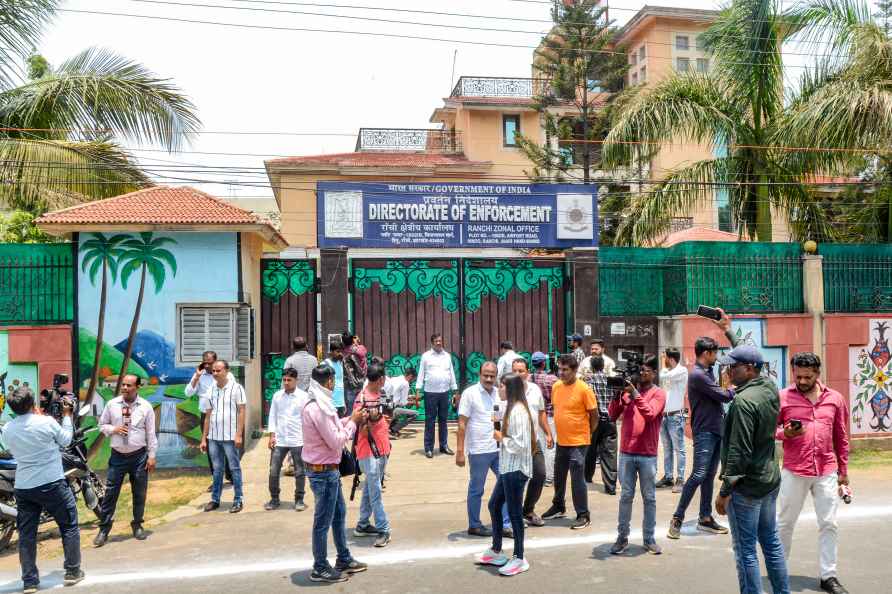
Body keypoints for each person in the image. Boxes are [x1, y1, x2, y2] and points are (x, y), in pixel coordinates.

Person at [715, 345, 790, 594]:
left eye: (733, 367)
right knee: (771, 542)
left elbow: (739, 453)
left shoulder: (743, 403)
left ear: (749, 369)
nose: (728, 371)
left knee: (746, 551)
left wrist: (725, 491)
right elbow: (753, 357)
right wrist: (729, 332)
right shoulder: (768, 387)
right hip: (769, 479)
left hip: (747, 487)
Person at [776, 353, 850, 594]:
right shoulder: (783, 397)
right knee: (785, 523)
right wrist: (784, 433)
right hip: (794, 470)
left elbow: (841, 436)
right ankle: (778, 573)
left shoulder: (835, 399)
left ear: (818, 374)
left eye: (808, 376)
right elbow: (769, 428)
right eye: (798, 376)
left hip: (826, 470)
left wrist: (844, 472)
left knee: (829, 523)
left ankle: (828, 576)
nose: (803, 380)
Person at [1, 387, 84, 591]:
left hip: (24, 487)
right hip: (52, 483)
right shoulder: (45, 422)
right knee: (69, 525)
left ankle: (30, 581)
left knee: (27, 534)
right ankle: (72, 572)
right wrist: (66, 415)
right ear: (32, 404)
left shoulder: (8, 428)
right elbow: (66, 439)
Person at [669, 310, 739, 540]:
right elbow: (724, 396)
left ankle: (705, 517)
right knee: (698, 474)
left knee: (709, 475)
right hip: (705, 431)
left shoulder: (707, 371)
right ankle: (677, 517)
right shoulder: (698, 374)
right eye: (715, 353)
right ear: (706, 353)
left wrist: (725, 385)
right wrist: (730, 387)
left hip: (716, 428)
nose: (717, 357)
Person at [302, 364, 368, 583]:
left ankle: (343, 558)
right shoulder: (318, 408)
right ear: (329, 381)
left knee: (338, 516)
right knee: (322, 522)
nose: (335, 384)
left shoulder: (319, 403)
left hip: (329, 472)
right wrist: (354, 424)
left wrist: (350, 418)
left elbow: (333, 426)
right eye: (333, 380)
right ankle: (320, 567)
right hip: (323, 473)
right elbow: (336, 440)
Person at [475, 373, 535, 576]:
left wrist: (501, 436)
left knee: (515, 514)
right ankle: (496, 550)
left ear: (509, 389)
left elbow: (521, 445)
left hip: (516, 470)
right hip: (507, 467)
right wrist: (498, 425)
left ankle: (519, 557)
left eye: (501, 385)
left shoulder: (519, 411)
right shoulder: (508, 408)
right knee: (494, 505)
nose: (498, 389)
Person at [608, 355, 667, 555]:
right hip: (626, 452)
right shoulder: (628, 392)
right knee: (626, 496)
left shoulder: (659, 394)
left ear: (655, 373)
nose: (642, 373)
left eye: (647, 370)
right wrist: (617, 396)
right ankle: (622, 537)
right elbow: (612, 415)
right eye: (641, 370)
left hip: (647, 454)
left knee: (649, 498)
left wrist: (635, 394)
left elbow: (650, 414)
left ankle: (649, 538)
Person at [94, 374, 158, 547]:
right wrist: (114, 429)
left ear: (137, 387)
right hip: (118, 456)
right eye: (123, 385)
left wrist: (151, 456)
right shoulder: (112, 404)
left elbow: (151, 433)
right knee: (111, 493)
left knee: (139, 492)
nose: (124, 388)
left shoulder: (145, 407)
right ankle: (104, 530)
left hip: (139, 456)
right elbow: (101, 425)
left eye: (129, 385)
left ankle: (137, 525)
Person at [541, 354, 598, 529]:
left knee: (577, 479)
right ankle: (559, 505)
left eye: (565, 370)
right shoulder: (557, 386)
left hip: (579, 442)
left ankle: (583, 514)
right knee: (559, 475)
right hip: (562, 441)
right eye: (560, 369)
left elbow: (594, 416)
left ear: (574, 370)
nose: (562, 372)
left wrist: (587, 433)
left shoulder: (584, 389)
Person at [456, 361, 502, 537]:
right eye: (486, 375)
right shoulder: (470, 394)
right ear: (480, 375)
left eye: (492, 375)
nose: (489, 379)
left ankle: (504, 523)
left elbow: (497, 419)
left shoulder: (498, 394)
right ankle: (474, 525)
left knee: (505, 483)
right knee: (477, 488)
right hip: (479, 450)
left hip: (498, 449)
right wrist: (460, 451)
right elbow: (462, 424)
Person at [352, 364, 393, 548]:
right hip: (367, 449)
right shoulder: (361, 398)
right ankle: (384, 529)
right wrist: (369, 418)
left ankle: (362, 524)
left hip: (383, 446)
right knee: (375, 489)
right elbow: (357, 423)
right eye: (381, 380)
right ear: (378, 380)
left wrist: (385, 417)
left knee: (370, 486)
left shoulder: (383, 394)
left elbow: (389, 414)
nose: (383, 382)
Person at [200, 360, 247, 514]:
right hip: (214, 437)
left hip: (230, 437)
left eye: (218, 370)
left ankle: (238, 499)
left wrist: (239, 434)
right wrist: (204, 438)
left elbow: (241, 411)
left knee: (234, 468)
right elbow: (207, 415)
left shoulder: (236, 388)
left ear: (226, 371)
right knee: (217, 469)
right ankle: (215, 499)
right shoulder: (210, 390)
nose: (215, 373)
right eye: (213, 371)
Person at [511, 358, 554, 527]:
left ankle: (528, 510)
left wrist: (548, 433)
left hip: (534, 443)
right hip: (514, 446)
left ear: (527, 372)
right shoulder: (506, 390)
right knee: (517, 480)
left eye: (521, 371)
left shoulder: (535, 389)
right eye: (514, 370)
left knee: (540, 474)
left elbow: (541, 412)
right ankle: (514, 515)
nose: (518, 374)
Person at [185, 350, 232, 490]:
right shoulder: (200, 375)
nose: (207, 366)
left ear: (216, 361)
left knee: (227, 446)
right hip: (206, 415)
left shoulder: (227, 375)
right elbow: (187, 393)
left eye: (210, 363)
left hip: (223, 414)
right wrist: (196, 378)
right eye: (205, 363)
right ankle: (216, 479)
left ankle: (230, 475)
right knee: (211, 448)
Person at [265, 368, 310, 512]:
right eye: (284, 380)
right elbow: (272, 416)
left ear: (296, 380)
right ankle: (274, 499)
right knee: (273, 470)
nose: (286, 383)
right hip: (280, 439)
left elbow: (308, 418)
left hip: (298, 439)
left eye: (289, 380)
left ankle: (299, 499)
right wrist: (272, 435)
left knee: (300, 471)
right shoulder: (277, 396)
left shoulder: (304, 397)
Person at [416, 333, 458, 458]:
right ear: (432, 342)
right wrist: (418, 389)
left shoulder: (447, 356)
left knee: (443, 420)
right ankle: (428, 448)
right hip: (430, 392)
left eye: (440, 341)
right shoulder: (426, 356)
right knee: (430, 420)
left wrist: (455, 390)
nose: (439, 343)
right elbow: (421, 373)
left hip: (444, 392)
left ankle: (443, 445)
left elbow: (451, 373)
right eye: (436, 341)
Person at [582, 355, 618, 494]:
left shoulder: (588, 381)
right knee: (610, 454)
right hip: (610, 420)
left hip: (594, 420)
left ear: (591, 367)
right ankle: (611, 486)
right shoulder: (612, 381)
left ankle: (587, 477)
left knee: (590, 451)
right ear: (603, 366)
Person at [657, 347, 689, 494]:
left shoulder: (681, 370)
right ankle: (668, 476)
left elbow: (663, 376)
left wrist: (663, 367)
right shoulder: (670, 372)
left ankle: (680, 478)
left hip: (676, 415)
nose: (664, 361)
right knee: (667, 448)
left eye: (665, 358)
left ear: (670, 358)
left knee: (679, 449)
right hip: (665, 415)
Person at [530, 352, 558, 484]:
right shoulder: (552, 379)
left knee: (538, 446)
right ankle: (549, 476)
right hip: (550, 416)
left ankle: (537, 474)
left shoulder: (529, 378)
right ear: (543, 363)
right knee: (550, 446)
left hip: (535, 416)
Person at [384, 366, 419, 438]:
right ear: (410, 376)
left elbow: (396, 394)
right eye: (413, 379)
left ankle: (392, 427)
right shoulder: (405, 383)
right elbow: (403, 403)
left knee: (398, 408)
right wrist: (414, 402)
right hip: (392, 409)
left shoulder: (396, 378)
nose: (412, 381)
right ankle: (394, 429)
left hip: (385, 406)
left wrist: (410, 397)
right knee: (416, 414)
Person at [342, 333, 368, 411]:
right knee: (360, 406)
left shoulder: (344, 351)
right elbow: (363, 352)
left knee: (350, 408)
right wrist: (357, 343)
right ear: (352, 340)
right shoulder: (361, 349)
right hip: (361, 382)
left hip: (350, 384)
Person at [322, 341, 348, 417]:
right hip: (330, 403)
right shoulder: (325, 364)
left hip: (340, 402)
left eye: (341, 352)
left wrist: (343, 403)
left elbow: (341, 383)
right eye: (338, 351)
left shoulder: (340, 363)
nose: (340, 354)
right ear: (331, 351)